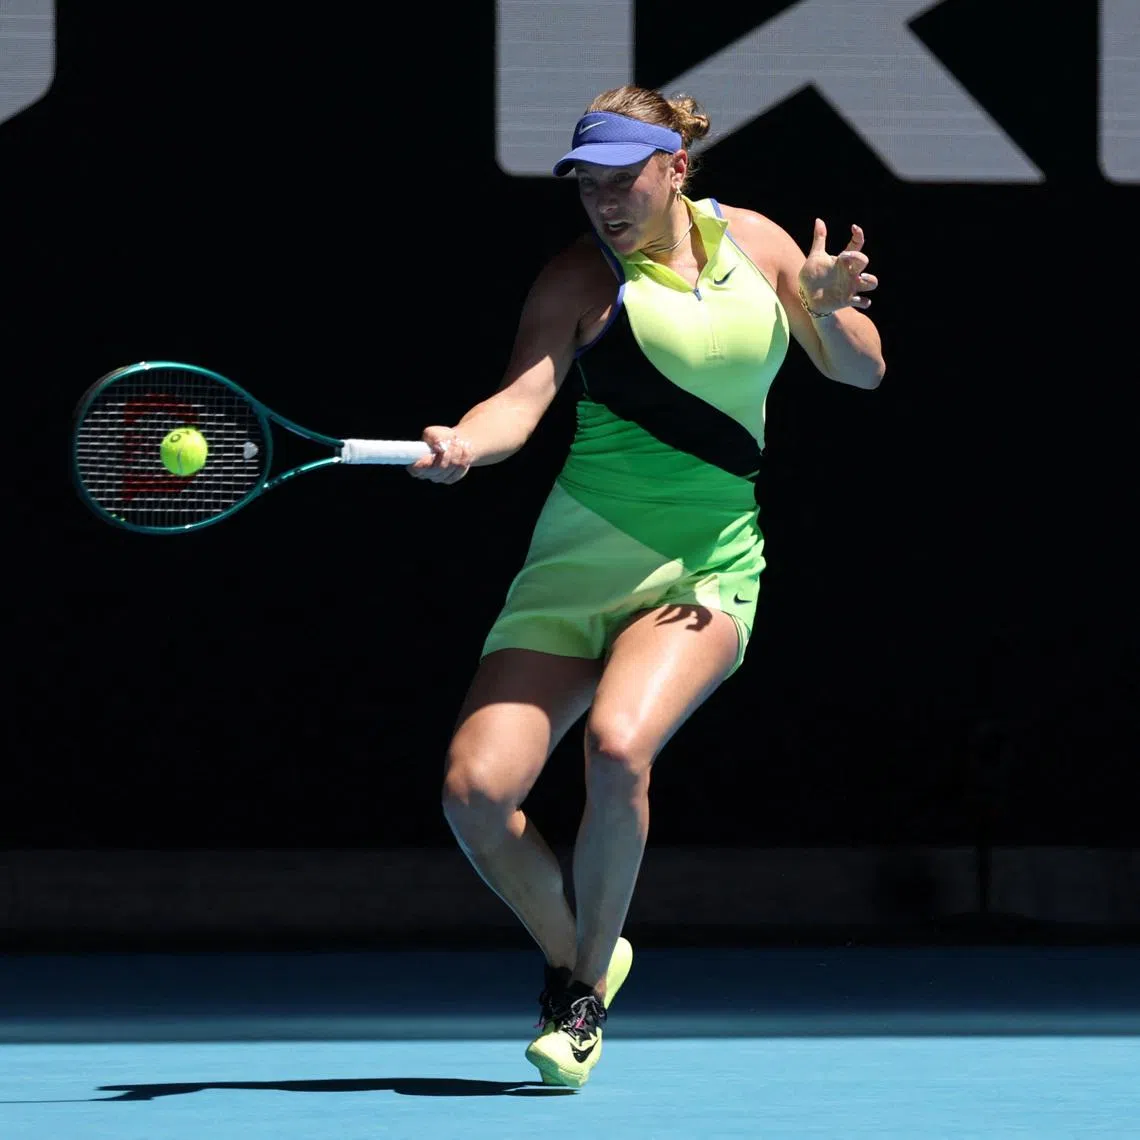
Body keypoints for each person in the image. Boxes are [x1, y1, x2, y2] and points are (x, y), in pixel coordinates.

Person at [409, 84, 885, 1088]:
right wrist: (463, 442)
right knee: (475, 795)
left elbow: (863, 374)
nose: (603, 202)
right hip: (575, 565)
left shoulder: (759, 244)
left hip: (709, 563)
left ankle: (578, 998)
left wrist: (826, 306)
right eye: (587, 184)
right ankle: (585, 951)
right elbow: (517, 403)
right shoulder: (578, 279)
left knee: (619, 745)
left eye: (622, 180)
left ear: (675, 169)